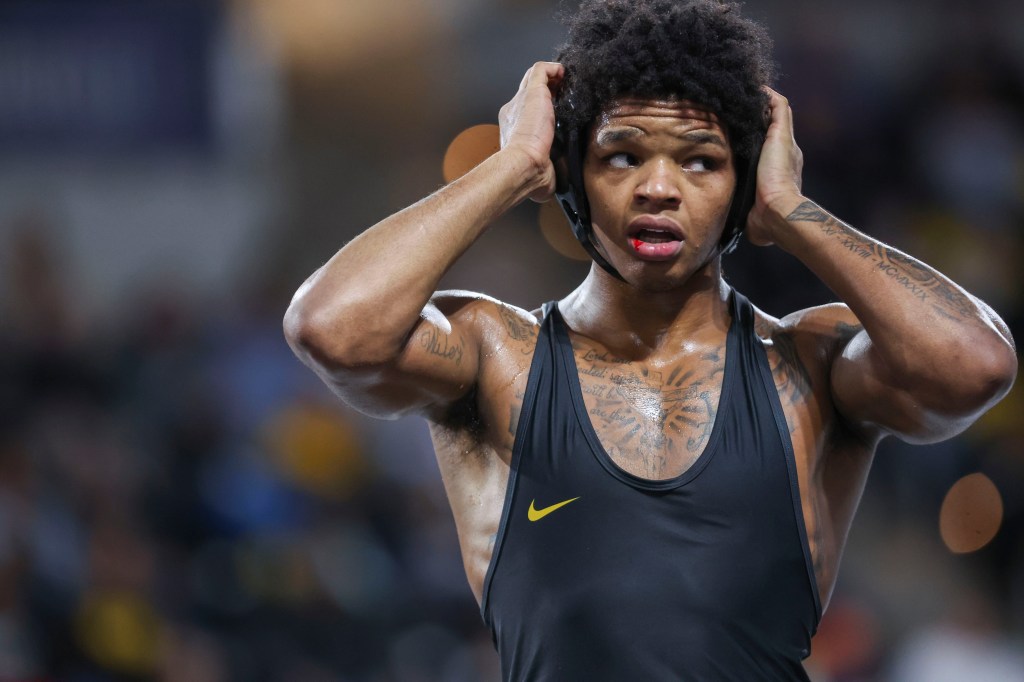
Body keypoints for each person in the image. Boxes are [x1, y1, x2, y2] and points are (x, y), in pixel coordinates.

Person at [283, 0, 1018, 678]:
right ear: (572, 177)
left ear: (742, 187)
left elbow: (976, 366)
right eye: (622, 155)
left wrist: (792, 210)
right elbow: (332, 328)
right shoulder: (496, 353)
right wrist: (513, 166)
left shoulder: (809, 362)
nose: (658, 188)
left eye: (701, 160)